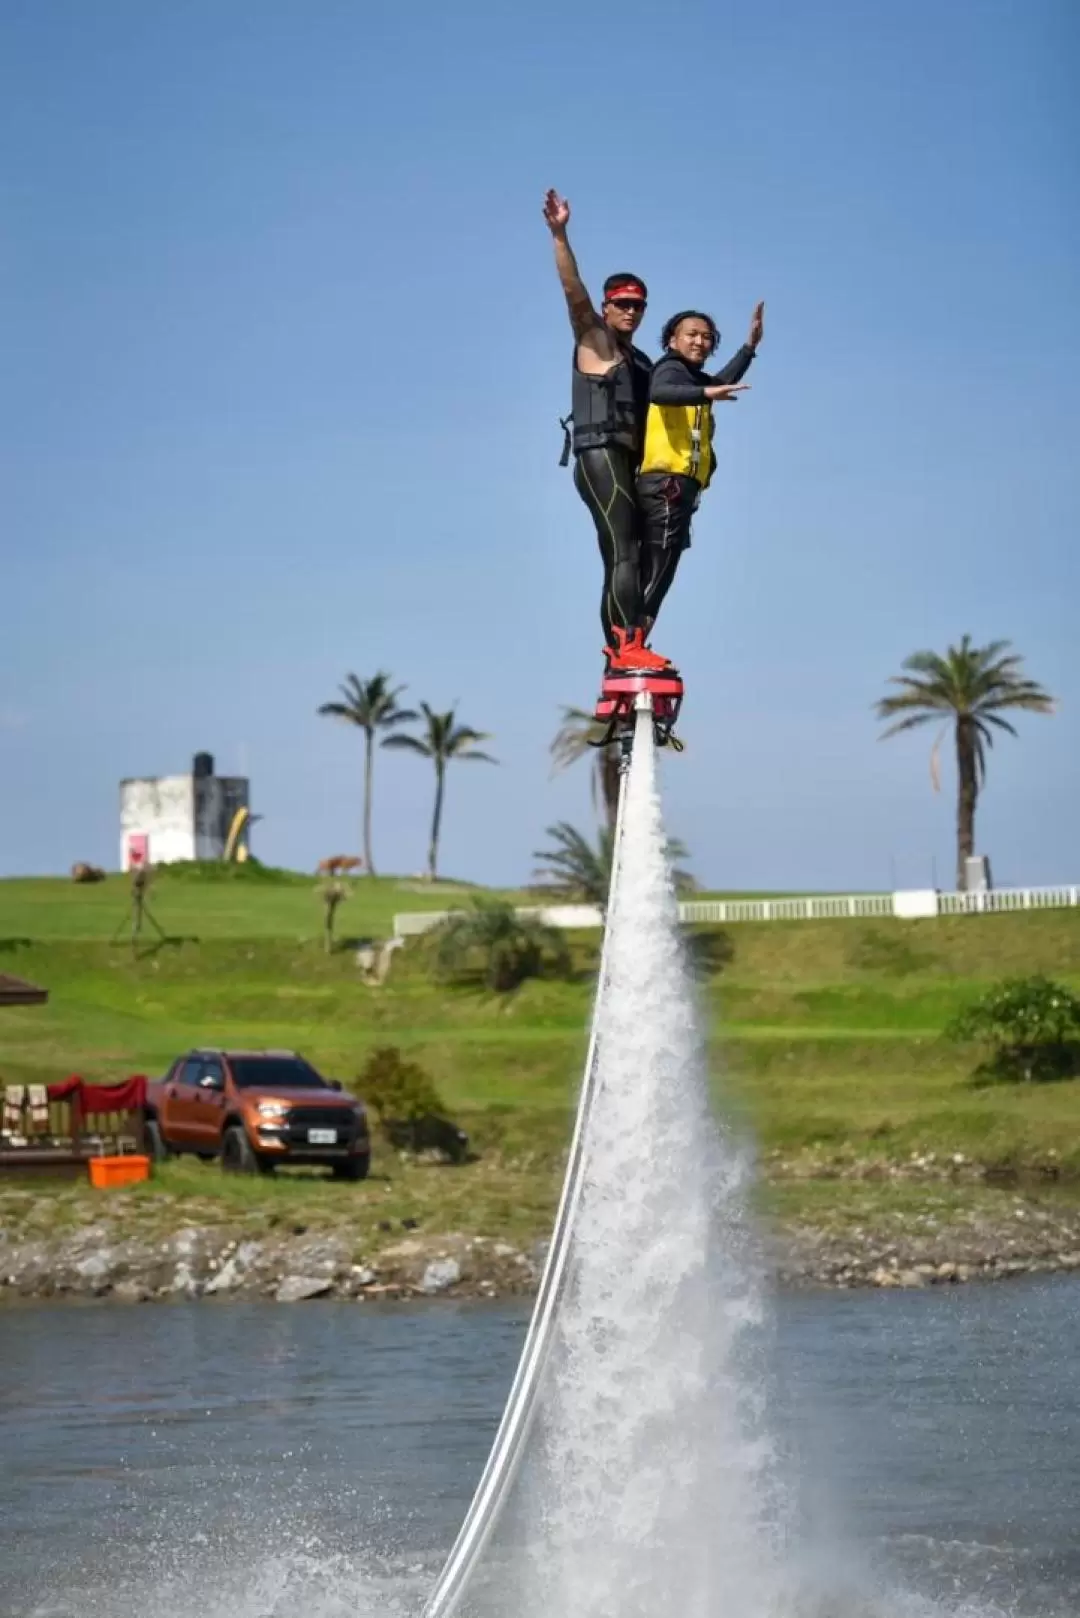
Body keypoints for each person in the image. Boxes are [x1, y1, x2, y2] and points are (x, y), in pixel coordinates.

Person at [542, 188, 667, 672]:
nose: (631, 311)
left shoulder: (641, 361)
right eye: (623, 303)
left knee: (626, 555)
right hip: (599, 455)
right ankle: (623, 647)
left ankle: (624, 643)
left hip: (628, 461)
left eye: (639, 304)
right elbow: (572, 291)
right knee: (623, 552)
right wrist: (559, 234)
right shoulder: (596, 339)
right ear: (608, 306)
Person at [635, 304, 764, 635]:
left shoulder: (690, 378)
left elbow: (719, 382)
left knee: (660, 566)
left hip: (678, 488)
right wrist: (707, 392)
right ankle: (631, 641)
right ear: (672, 341)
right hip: (667, 483)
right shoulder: (669, 369)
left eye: (707, 337)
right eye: (691, 334)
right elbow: (661, 392)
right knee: (659, 568)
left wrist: (749, 349)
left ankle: (632, 641)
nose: (700, 341)